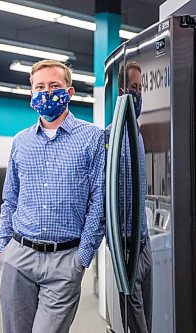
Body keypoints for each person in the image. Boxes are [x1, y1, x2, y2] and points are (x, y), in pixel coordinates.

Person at [0, 59, 105, 333]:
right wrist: (2, 248)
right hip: (18, 256)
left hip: (64, 260)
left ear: (69, 92)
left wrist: (82, 258)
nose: (46, 92)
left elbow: (99, 201)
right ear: (31, 93)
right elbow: (10, 198)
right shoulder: (21, 140)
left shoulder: (92, 138)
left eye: (54, 86)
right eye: (39, 87)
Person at [107, 61, 152, 333]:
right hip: (126, 247)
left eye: (141, 88)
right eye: (134, 88)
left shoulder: (136, 132)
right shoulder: (112, 137)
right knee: (136, 326)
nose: (138, 94)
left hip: (144, 243)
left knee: (147, 317)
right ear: (123, 91)